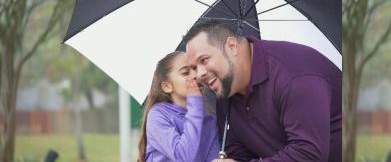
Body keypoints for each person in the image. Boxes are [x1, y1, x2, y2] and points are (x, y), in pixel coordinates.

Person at [184, 19, 342, 162]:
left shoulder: (294, 75)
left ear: (232, 46)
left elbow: (309, 154)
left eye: (204, 60)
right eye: (193, 68)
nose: (199, 74)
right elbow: (238, 154)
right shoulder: (226, 93)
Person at [137, 52, 219, 162]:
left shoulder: (210, 121)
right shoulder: (158, 115)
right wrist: (195, 102)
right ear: (167, 86)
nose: (195, 75)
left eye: (196, 69)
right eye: (185, 73)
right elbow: (184, 157)